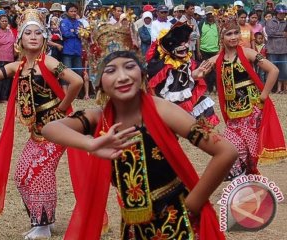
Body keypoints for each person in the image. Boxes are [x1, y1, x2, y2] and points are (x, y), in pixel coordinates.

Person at [41, 22, 237, 240]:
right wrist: (90, 144)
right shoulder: (98, 118)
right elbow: (50, 128)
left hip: (179, 225)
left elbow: (226, 152)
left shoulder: (163, 110)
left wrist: (193, 203)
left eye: (129, 66)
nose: (122, 76)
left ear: (142, 71)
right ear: (99, 81)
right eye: (110, 70)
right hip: (134, 228)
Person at [0, 9, 83, 240]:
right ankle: (42, 220)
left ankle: (43, 225)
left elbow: (77, 81)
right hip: (36, 132)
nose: (33, 37)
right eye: (28, 33)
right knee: (22, 174)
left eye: (37, 33)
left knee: (40, 172)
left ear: (44, 38)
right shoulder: (19, 65)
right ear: (20, 39)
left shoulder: (50, 61)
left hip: (58, 129)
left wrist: (63, 107)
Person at [207, 8, 287, 180]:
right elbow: (197, 73)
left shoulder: (248, 53)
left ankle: (241, 187)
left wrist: (264, 95)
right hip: (233, 113)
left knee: (242, 149)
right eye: (229, 34)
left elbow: (273, 70)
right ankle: (241, 187)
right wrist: (198, 74)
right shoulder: (217, 59)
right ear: (222, 37)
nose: (234, 37)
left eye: (236, 33)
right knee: (230, 148)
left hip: (251, 109)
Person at [146, 21, 220, 126]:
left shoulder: (189, 62)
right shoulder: (164, 66)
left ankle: (206, 136)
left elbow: (189, 78)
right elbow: (154, 87)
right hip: (170, 105)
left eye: (185, 43)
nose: (184, 47)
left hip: (187, 100)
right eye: (179, 44)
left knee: (206, 107)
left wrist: (194, 75)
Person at [265, 4, 287, 94]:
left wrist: (276, 33)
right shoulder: (270, 22)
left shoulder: (286, 23)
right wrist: (282, 34)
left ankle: (279, 89)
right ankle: (269, 89)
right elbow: (270, 33)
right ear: (276, 13)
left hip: (284, 50)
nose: (282, 15)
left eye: (284, 13)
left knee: (284, 71)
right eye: (280, 13)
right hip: (272, 50)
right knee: (271, 69)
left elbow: (273, 33)